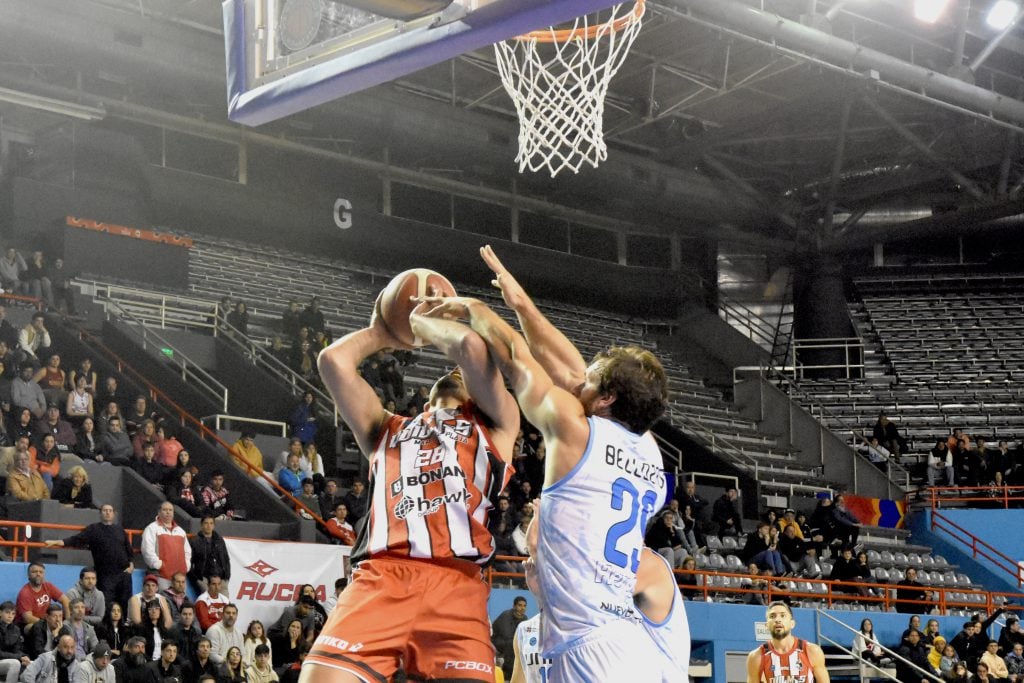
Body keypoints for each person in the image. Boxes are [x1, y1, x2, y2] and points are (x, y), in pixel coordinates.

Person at [414, 285, 673, 680]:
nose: (577, 384)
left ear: (606, 399)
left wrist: (473, 306)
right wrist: (524, 307)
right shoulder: (652, 454)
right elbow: (572, 372)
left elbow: (517, 357)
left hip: (590, 648)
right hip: (626, 642)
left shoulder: (575, 431)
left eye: (590, 383)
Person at [303, 287, 519, 683]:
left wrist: (420, 321)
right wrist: (386, 330)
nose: (455, 373)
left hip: (458, 586)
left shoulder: (497, 426)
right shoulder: (388, 427)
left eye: (463, 377)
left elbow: (470, 348)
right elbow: (332, 361)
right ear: (423, 404)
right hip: (382, 577)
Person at [45, 504, 134, 613]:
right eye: (105, 510)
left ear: (113, 514)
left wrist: (131, 566)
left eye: (110, 510)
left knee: (124, 603)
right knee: (106, 605)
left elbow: (128, 550)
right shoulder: (93, 529)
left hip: (124, 574)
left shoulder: (120, 530)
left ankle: (122, 628)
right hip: (105, 575)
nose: (107, 512)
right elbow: (76, 539)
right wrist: (58, 542)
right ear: (100, 513)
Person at [746, 601, 829, 682]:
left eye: (783, 616)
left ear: (792, 623)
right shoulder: (756, 657)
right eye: (772, 616)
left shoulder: (812, 651)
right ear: (767, 625)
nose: (778, 620)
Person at [141, 501, 192, 590]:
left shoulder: (181, 531)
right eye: (165, 510)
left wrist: (186, 565)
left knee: (180, 602)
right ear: (159, 512)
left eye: (170, 510)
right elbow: (147, 550)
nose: (168, 512)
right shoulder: (151, 528)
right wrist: (159, 565)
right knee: (163, 601)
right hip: (161, 576)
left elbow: (187, 551)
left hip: (179, 577)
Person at [16, 563, 68, 632]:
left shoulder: (48, 586)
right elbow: (28, 618)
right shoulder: (25, 593)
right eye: (34, 572)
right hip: (27, 625)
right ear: (28, 575)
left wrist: (68, 621)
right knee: (35, 627)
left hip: (48, 620)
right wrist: (48, 623)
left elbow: (65, 600)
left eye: (41, 572)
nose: (38, 574)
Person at [189, 516, 231, 593]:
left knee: (225, 603)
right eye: (206, 523)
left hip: (221, 579)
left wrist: (226, 577)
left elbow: (226, 559)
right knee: (208, 603)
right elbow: (189, 561)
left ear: (214, 525)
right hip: (204, 578)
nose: (209, 526)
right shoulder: (195, 541)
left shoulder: (219, 540)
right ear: (201, 525)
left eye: (211, 523)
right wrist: (197, 579)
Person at [492, 597, 528, 680]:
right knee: (511, 644)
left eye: (524, 606)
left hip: (510, 642)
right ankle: (508, 675)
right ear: (514, 606)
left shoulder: (524, 619)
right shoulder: (506, 616)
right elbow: (507, 635)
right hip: (495, 642)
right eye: (520, 605)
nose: (522, 608)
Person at [0, 601, 29, 683]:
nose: (10, 616)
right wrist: (18, 657)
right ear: (0, 613)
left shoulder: (16, 629)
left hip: (9, 659)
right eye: (7, 613)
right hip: (6, 660)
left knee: (33, 664)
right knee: (15, 663)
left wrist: (24, 657)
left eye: (13, 614)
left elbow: (17, 650)